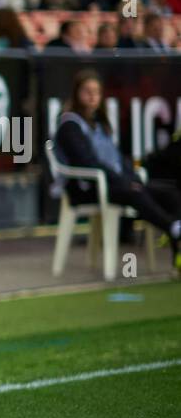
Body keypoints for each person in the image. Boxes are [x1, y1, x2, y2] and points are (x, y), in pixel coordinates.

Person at [54, 70, 181, 271]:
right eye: (87, 91)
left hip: (115, 183)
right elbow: (87, 162)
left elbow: (118, 159)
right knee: (135, 191)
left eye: (96, 91)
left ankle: (177, 252)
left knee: (170, 193)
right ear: (77, 93)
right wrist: (123, 181)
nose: (92, 96)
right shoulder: (69, 125)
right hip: (87, 188)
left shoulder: (100, 122)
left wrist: (130, 176)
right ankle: (173, 228)